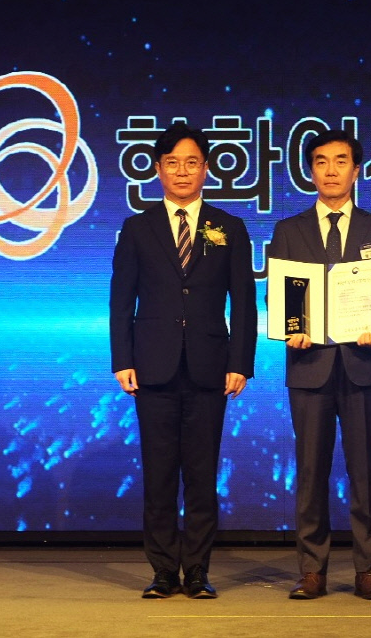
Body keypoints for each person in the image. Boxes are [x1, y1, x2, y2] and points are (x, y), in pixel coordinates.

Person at [109, 121, 257, 599]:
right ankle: (161, 571)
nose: (182, 171)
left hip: (210, 367)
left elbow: (244, 302)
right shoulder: (137, 228)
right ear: (158, 169)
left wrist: (241, 362)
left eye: (191, 162)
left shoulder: (228, 227)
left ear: (206, 169)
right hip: (152, 366)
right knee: (158, 475)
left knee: (200, 474)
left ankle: (196, 570)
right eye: (172, 163)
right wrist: (122, 358)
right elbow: (121, 300)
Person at [267, 127, 371, 601]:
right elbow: (279, 295)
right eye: (321, 162)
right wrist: (290, 327)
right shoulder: (289, 230)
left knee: (366, 472)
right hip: (309, 365)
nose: (331, 170)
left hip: (362, 363)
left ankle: (368, 570)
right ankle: (312, 570)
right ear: (310, 171)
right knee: (311, 472)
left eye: (340, 161)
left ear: (356, 170)